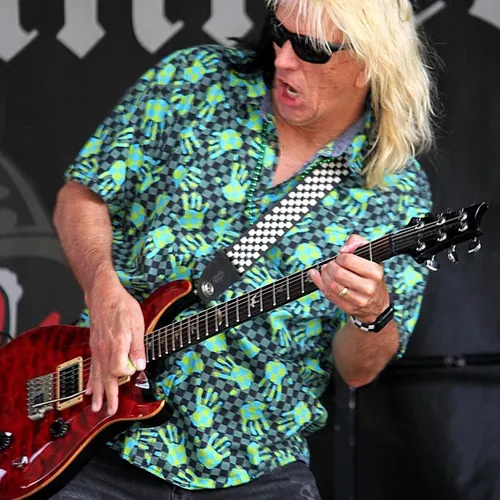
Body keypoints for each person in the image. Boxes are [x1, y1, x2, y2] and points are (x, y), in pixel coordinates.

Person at [52, 0, 436, 498]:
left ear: (370, 62)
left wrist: (370, 312)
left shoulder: (397, 189)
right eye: (279, 32)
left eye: (311, 49)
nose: (282, 59)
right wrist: (104, 292)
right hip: (97, 436)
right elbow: (81, 196)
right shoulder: (194, 81)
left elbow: (358, 370)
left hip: (256, 464)